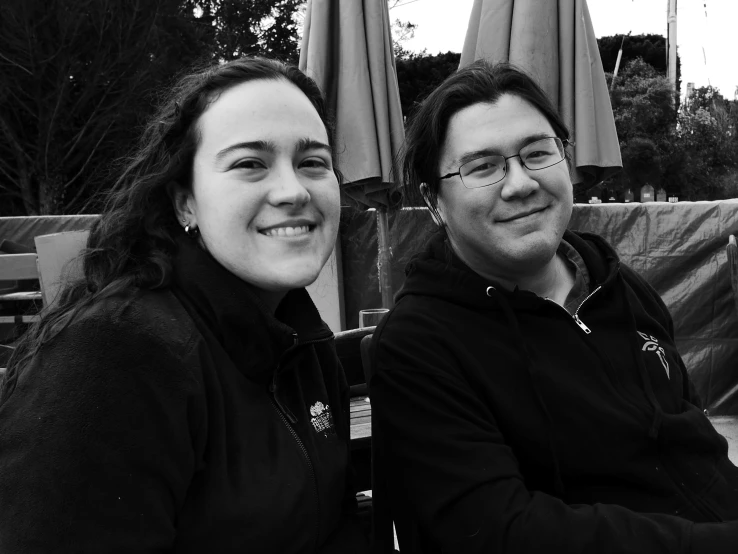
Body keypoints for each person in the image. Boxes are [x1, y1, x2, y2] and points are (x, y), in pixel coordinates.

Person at [0, 56, 370, 554]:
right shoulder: (115, 356)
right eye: (249, 164)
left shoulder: (303, 342)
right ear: (184, 203)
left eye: (313, 163)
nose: (293, 190)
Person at [369, 60, 738, 554]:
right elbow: (501, 532)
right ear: (434, 201)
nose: (520, 184)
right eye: (482, 167)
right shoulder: (420, 347)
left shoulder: (617, 285)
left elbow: (693, 441)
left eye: (537, 154)